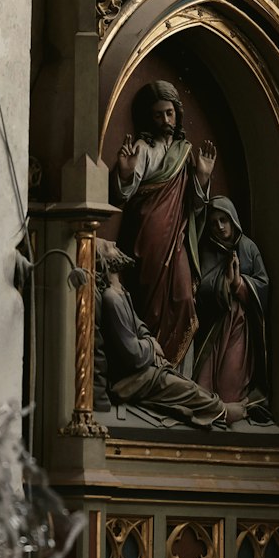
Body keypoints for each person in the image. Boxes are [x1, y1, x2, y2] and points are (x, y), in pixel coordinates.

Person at [111, 80, 215, 367]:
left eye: (169, 113)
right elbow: (125, 195)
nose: (165, 120)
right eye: (158, 114)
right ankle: (153, 370)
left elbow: (194, 206)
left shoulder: (185, 152)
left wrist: (203, 179)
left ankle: (179, 377)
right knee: (150, 305)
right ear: (150, 117)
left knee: (183, 299)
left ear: (177, 114)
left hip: (176, 238)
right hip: (148, 234)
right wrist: (125, 173)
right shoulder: (143, 147)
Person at [96, 240, 245, 427]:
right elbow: (132, 354)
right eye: (108, 247)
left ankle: (217, 406)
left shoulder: (120, 291)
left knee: (180, 381)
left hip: (141, 368)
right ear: (104, 261)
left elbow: (138, 324)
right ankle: (221, 412)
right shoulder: (111, 298)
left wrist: (149, 340)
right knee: (182, 387)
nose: (114, 242)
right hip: (128, 381)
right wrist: (151, 348)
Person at [194, 196, 270, 411]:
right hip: (213, 328)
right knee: (203, 386)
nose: (219, 226)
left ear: (233, 220)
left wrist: (239, 284)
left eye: (223, 220)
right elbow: (201, 287)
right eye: (213, 222)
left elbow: (263, 285)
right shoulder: (208, 250)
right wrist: (224, 284)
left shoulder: (248, 248)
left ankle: (234, 408)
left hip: (240, 328)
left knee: (230, 387)